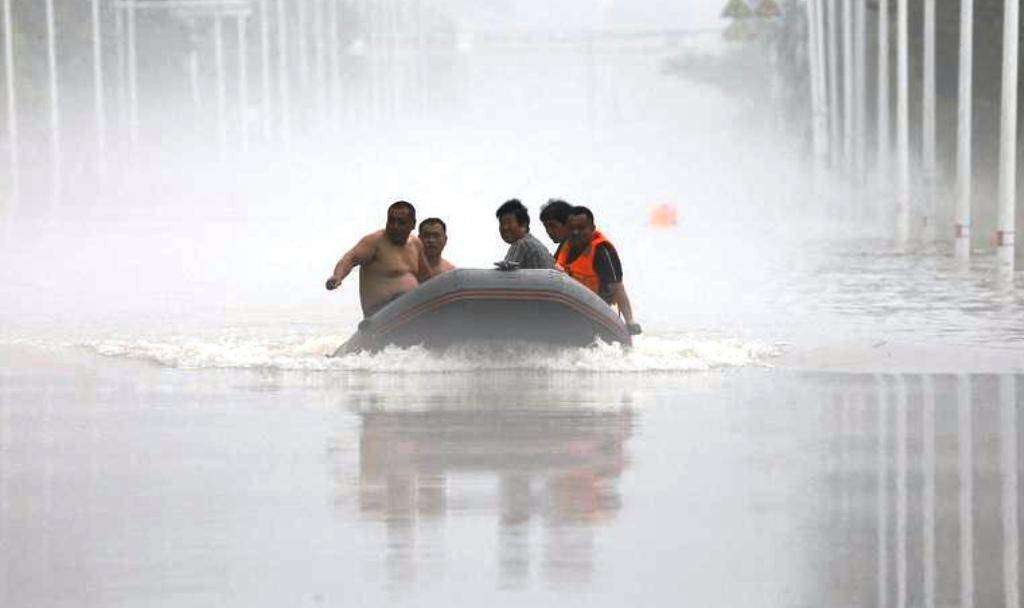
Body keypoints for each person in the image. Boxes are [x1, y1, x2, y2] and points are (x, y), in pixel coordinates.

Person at [325, 200, 426, 317]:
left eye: (401, 222)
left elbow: (425, 275)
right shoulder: (374, 242)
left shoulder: (416, 244)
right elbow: (350, 258)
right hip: (380, 315)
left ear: (413, 224)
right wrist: (337, 276)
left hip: (410, 312)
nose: (395, 226)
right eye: (391, 221)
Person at [557, 206, 642, 335]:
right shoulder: (565, 245)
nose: (576, 232)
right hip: (569, 307)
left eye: (581, 228)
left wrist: (630, 321)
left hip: (596, 310)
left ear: (592, 229)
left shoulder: (602, 251)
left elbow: (617, 287)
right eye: (572, 228)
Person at [495, 198, 555, 270]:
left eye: (508, 222)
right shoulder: (535, 243)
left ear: (524, 224)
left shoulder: (522, 244)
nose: (504, 227)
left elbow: (507, 275)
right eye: (502, 223)